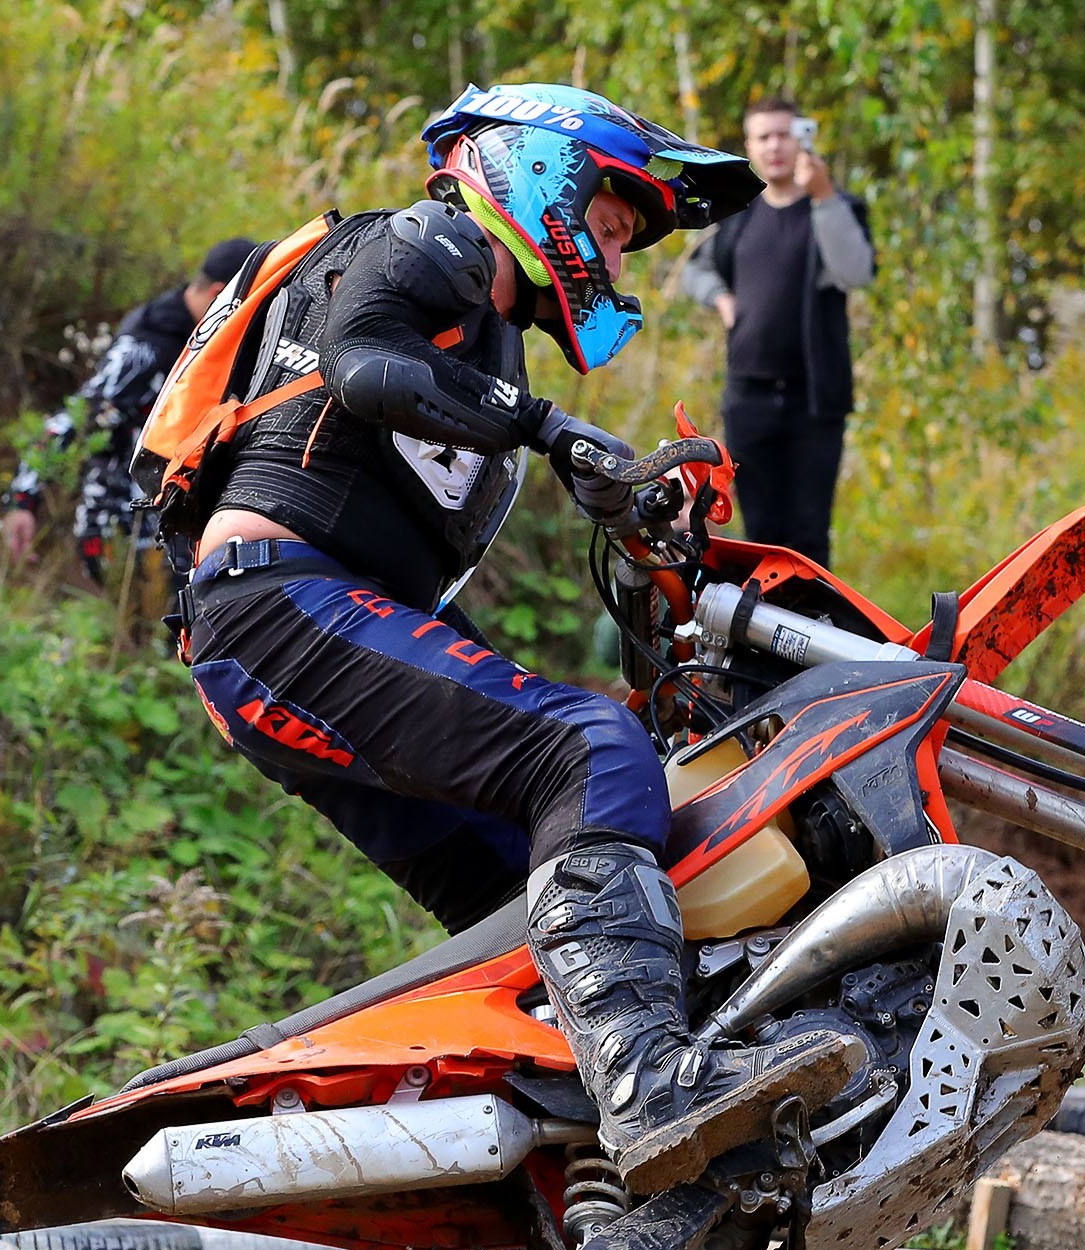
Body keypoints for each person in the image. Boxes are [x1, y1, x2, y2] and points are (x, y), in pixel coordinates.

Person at [167, 83, 857, 1193]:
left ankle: (562, 1166)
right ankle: (649, 1084)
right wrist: (546, 431)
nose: (619, 261)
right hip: (279, 600)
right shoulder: (427, 241)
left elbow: (414, 566)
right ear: (544, 175)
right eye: (617, 224)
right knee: (582, 753)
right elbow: (361, 363)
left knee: (521, 892)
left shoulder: (487, 346)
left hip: (291, 627)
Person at [1, 237, 263, 611]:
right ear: (221, 295)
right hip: (122, 531)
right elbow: (74, 420)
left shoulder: (202, 337)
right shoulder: (145, 348)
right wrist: (23, 498)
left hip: (172, 529)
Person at [676, 96, 873, 568]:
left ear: (803, 138)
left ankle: (817, 633)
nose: (775, 146)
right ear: (750, 146)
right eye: (764, 137)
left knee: (808, 532)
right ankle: (760, 635)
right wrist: (722, 300)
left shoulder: (836, 207)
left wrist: (823, 196)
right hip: (749, 399)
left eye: (784, 134)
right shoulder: (738, 215)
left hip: (815, 401)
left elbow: (855, 272)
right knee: (760, 530)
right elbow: (695, 271)